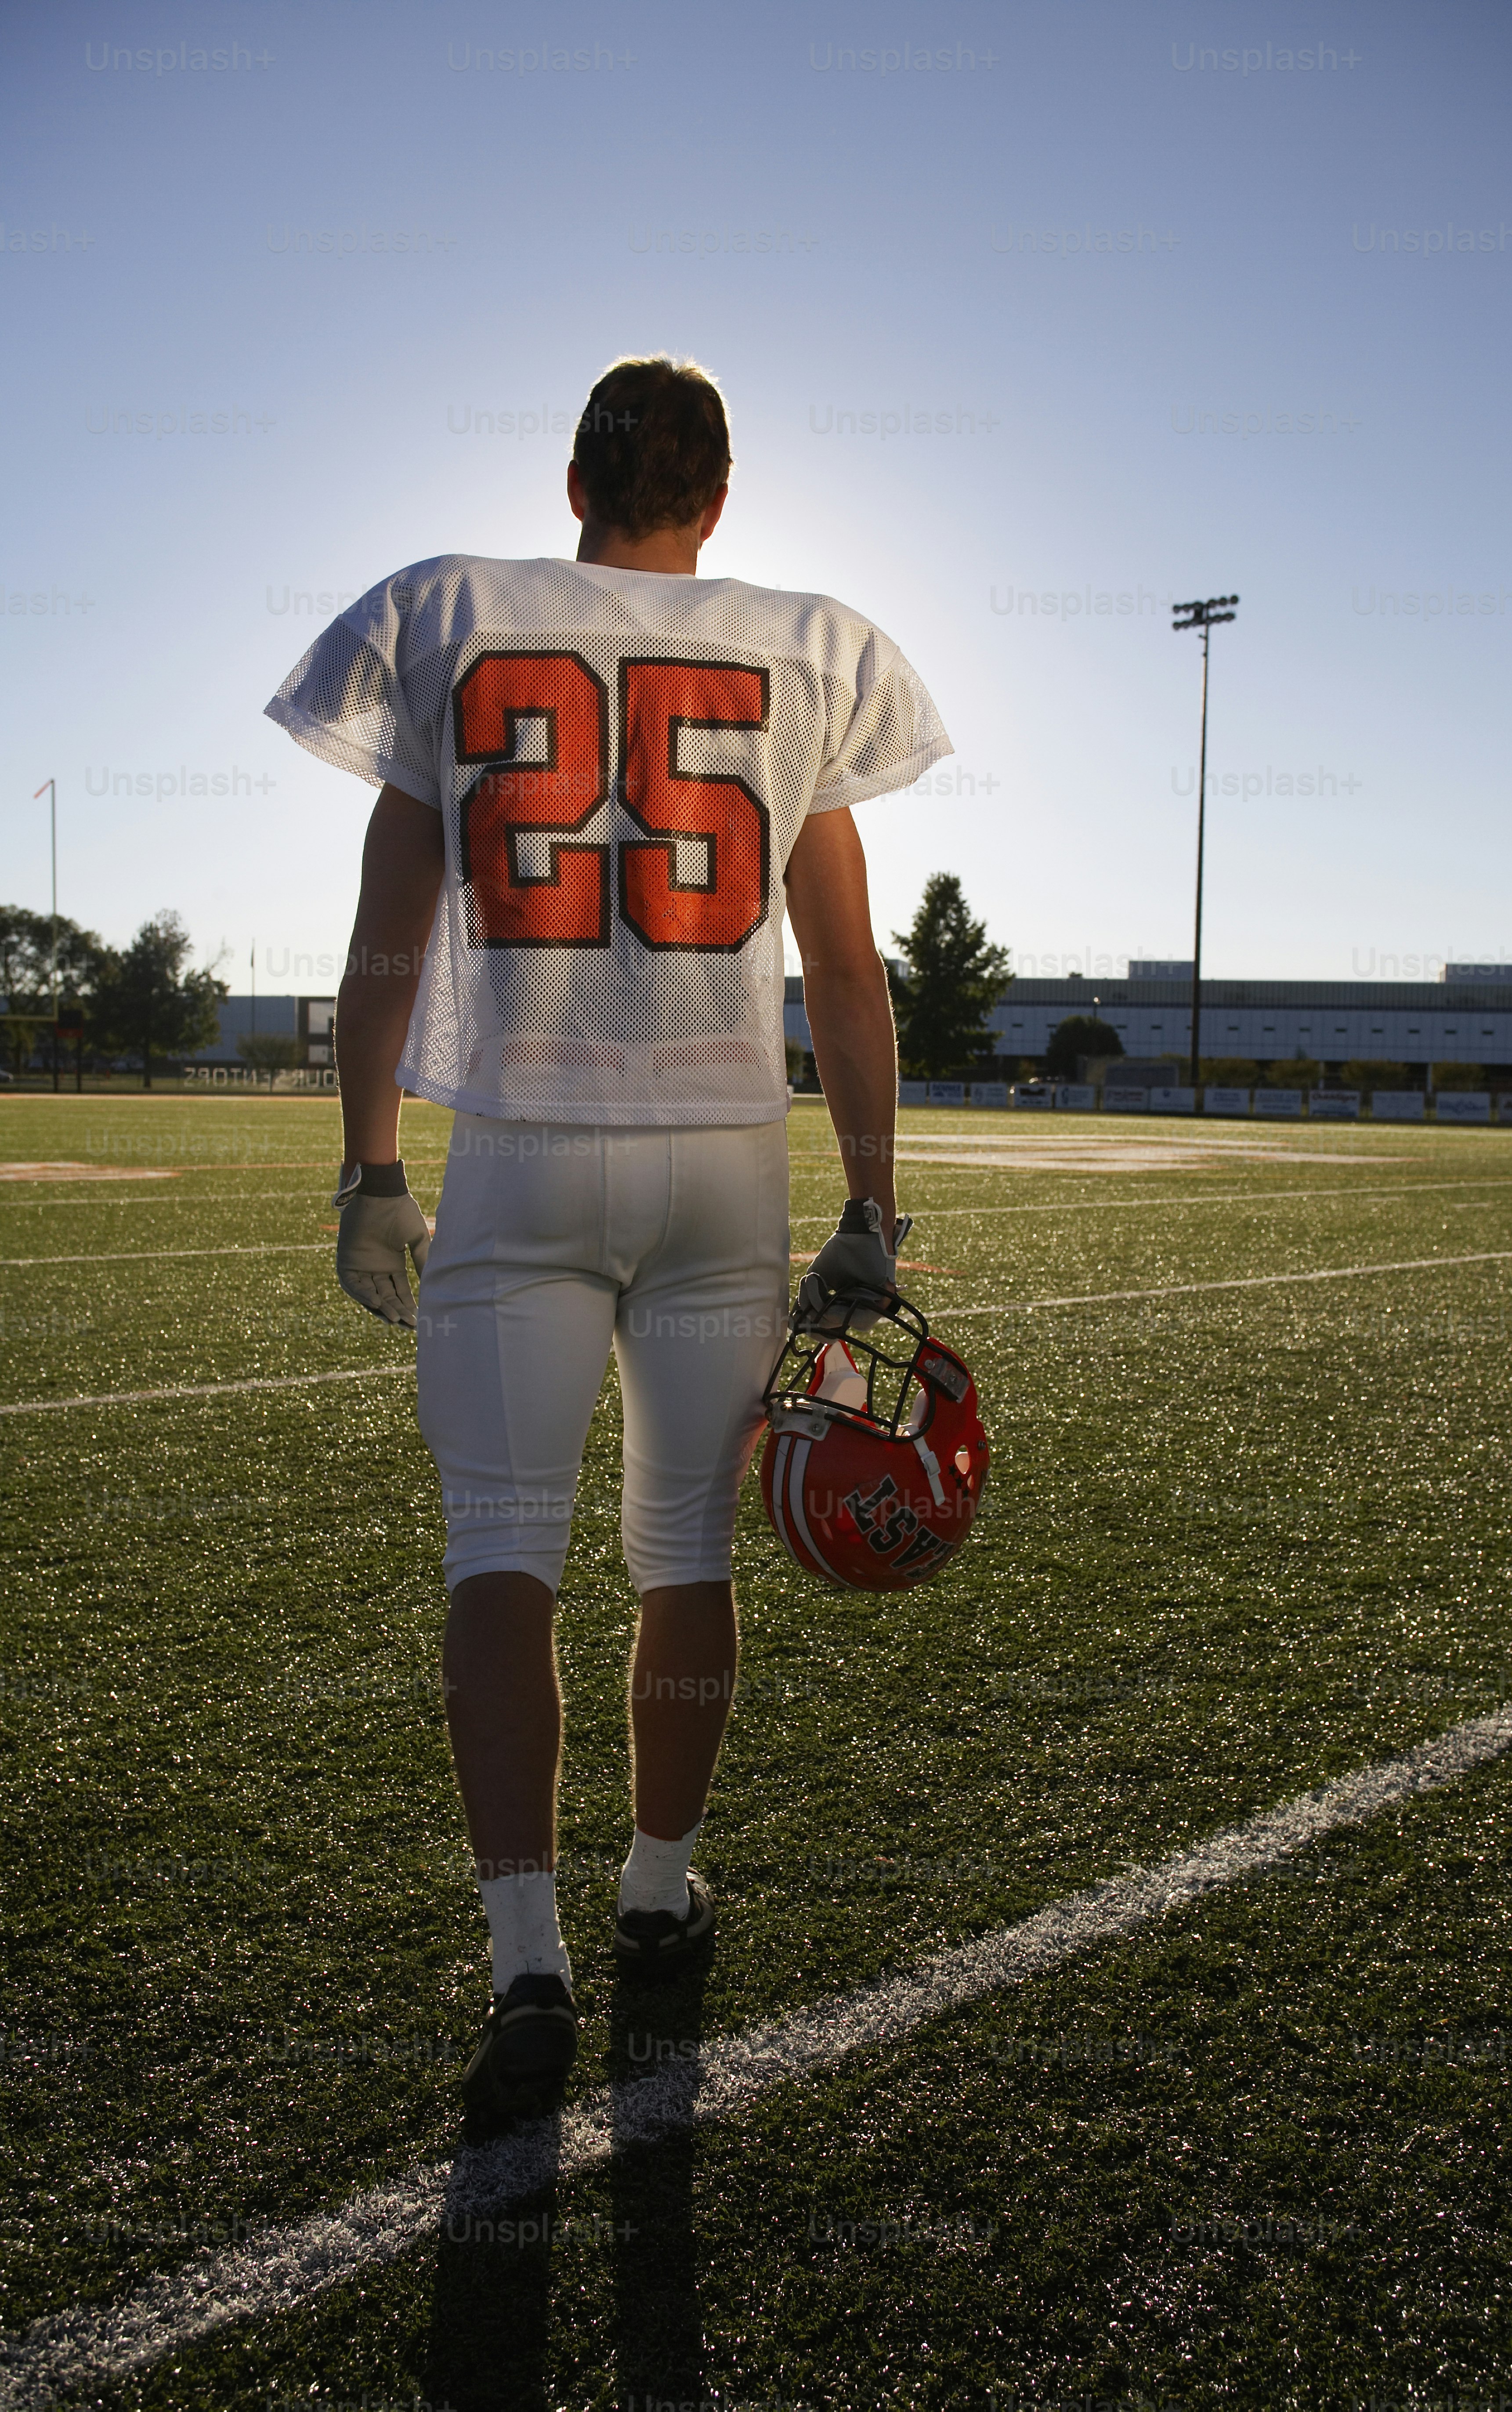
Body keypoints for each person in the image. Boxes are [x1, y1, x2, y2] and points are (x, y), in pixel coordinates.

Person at [265, 354, 951, 2120]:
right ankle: (655, 1885)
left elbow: (383, 938)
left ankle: (524, 1957)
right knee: (681, 1554)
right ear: (719, 496)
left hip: (523, 1145)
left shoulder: (446, 614)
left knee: (502, 1551)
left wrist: (366, 1164)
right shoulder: (806, 644)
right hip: (722, 1159)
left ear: (572, 472)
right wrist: (873, 1201)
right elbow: (854, 974)